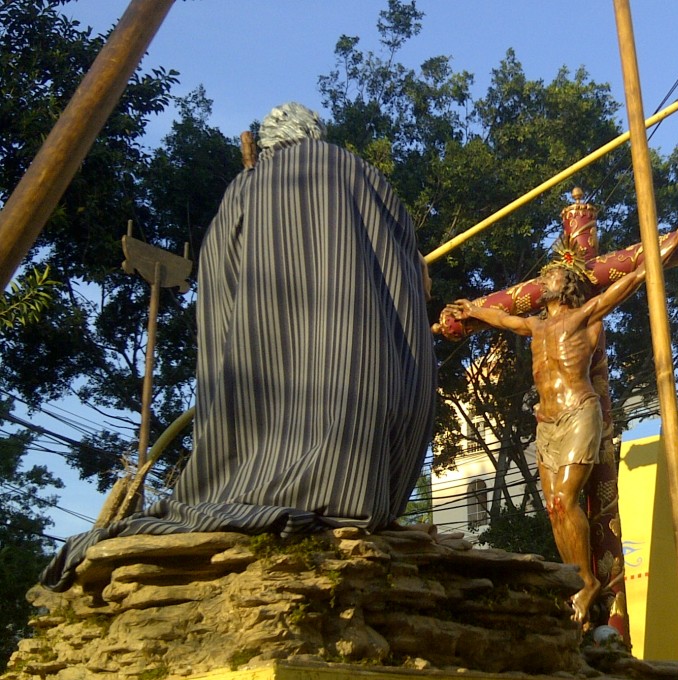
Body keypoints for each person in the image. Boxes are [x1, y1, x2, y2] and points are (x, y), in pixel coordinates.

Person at [40, 102, 435, 591]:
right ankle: (340, 482)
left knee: (268, 373)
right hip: (366, 416)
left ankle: (259, 471)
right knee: (342, 359)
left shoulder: (245, 190)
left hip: (264, 395)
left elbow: (222, 296)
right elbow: (407, 279)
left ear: (268, 145)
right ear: (315, 134)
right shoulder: (365, 179)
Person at [445, 216, 678, 624]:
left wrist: (673, 241)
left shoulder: (584, 316)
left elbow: (633, 279)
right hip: (546, 422)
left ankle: (587, 581)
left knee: (565, 499)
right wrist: (474, 310)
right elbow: (503, 319)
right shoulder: (535, 326)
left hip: (579, 410)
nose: (543, 279)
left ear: (566, 285)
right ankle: (574, 578)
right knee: (554, 507)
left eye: (552, 275)